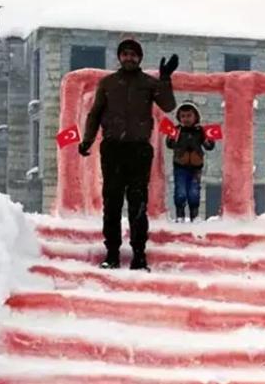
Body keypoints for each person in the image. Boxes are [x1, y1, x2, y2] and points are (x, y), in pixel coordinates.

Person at [78, 39, 178, 270]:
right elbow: (95, 114)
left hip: (139, 150)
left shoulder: (149, 83)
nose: (129, 58)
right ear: (119, 57)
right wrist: (87, 140)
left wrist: (165, 79)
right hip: (113, 148)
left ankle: (139, 254)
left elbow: (169, 105)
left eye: (133, 54)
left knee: (138, 203)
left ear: (140, 58)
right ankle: (112, 253)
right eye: (125, 54)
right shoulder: (108, 83)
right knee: (112, 203)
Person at [165, 101, 216, 222]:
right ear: (179, 117)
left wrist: (210, 139)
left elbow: (208, 146)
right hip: (180, 166)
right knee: (180, 191)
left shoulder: (200, 131)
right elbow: (170, 144)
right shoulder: (177, 130)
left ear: (195, 117)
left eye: (189, 116)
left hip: (196, 166)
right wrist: (171, 137)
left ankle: (194, 215)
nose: (186, 119)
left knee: (194, 192)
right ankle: (180, 215)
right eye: (183, 116)